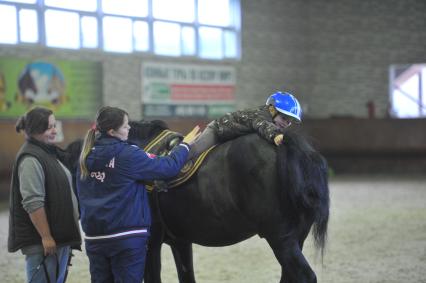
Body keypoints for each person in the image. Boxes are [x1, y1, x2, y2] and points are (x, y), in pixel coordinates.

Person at [76, 106, 200, 283]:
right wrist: (185, 146)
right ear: (112, 131)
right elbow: (168, 167)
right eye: (125, 126)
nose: (129, 129)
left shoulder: (85, 156)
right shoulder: (129, 154)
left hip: (94, 238)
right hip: (126, 238)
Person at [8, 106, 81, 283]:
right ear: (36, 129)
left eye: (54, 125)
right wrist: (46, 237)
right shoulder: (31, 159)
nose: (55, 130)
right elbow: (33, 202)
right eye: (49, 127)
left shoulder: (46, 152)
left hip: (57, 239)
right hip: (43, 243)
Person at [189, 91, 302, 158]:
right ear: (272, 110)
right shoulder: (260, 116)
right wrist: (276, 135)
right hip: (217, 130)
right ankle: (173, 164)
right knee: (195, 150)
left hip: (230, 138)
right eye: (284, 118)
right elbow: (262, 125)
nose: (286, 124)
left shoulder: (271, 122)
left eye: (289, 121)